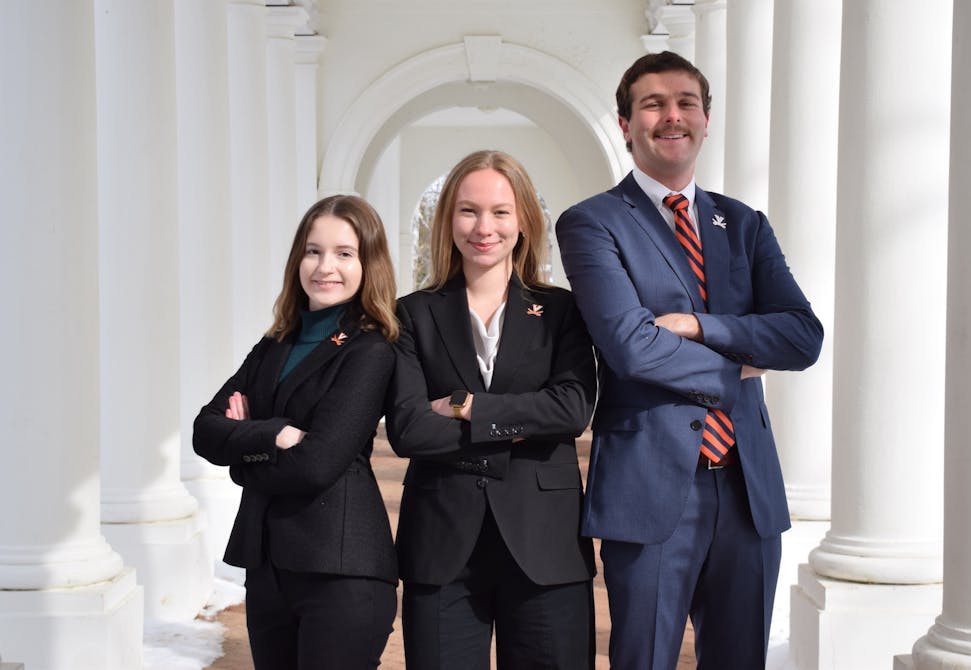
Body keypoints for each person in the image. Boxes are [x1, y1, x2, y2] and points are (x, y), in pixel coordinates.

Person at [555, 51, 824, 670]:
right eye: (653, 105)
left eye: (686, 103)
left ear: (706, 119)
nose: (672, 116)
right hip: (650, 490)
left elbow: (802, 337)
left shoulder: (745, 224)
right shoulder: (593, 223)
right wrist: (739, 365)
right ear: (626, 125)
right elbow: (630, 346)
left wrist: (700, 325)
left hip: (748, 490)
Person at [387, 150, 597, 670]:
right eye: (469, 211)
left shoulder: (562, 310)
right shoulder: (411, 314)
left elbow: (571, 409)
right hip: (441, 544)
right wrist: (523, 422)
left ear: (523, 220)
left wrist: (466, 408)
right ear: (447, 220)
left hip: (545, 542)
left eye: (500, 212)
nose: (485, 227)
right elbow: (409, 429)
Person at [193, 195, 399, 670]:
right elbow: (205, 430)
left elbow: (316, 465)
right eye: (313, 251)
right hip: (267, 568)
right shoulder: (274, 344)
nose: (325, 267)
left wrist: (241, 455)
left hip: (340, 571)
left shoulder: (370, 350)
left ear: (368, 264)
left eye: (344, 253)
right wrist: (276, 434)